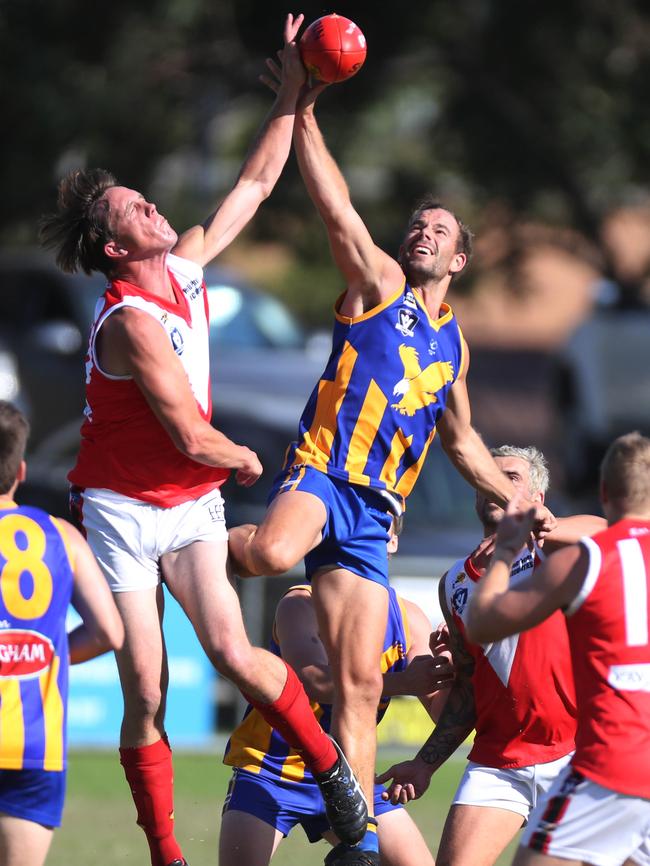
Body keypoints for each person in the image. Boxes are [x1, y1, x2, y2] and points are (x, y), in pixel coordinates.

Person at [38, 16, 367, 866]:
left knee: (234, 652)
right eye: (132, 209)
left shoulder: (182, 268)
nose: (152, 203)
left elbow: (255, 187)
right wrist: (249, 458)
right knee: (144, 684)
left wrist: (296, 88)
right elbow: (188, 429)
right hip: (121, 509)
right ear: (116, 247)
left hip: (186, 503)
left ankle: (334, 775)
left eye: (143, 196)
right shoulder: (130, 320)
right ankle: (165, 852)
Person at [228, 68, 555, 866]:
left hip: (374, 514)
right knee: (270, 555)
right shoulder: (377, 289)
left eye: (439, 228)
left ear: (463, 258)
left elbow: (466, 445)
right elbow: (336, 205)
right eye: (416, 223)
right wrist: (304, 108)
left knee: (363, 686)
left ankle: (359, 843)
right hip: (325, 472)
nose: (422, 232)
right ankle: (195, 536)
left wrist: (520, 503)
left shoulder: (456, 348)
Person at [377, 445, 606, 866]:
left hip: (576, 754)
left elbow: (602, 528)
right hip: (499, 761)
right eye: (489, 478)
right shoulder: (454, 584)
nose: (496, 485)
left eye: (512, 477)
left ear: (538, 499)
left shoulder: (555, 550)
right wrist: (426, 763)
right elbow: (467, 694)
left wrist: (541, 525)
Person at [220, 517, 454, 866]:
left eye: (380, 529)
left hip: (354, 773)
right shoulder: (300, 604)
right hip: (272, 770)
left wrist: (457, 664)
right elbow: (314, 683)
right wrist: (405, 682)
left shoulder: (409, 618)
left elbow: (444, 712)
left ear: (392, 543)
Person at [465, 431, 650, 866]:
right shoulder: (456, 578)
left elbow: (481, 621)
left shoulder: (586, 558)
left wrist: (508, 550)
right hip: (510, 755)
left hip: (611, 764)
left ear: (604, 493)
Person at [0, 401, 124, 866]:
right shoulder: (61, 536)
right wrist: (46, 656)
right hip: (36, 747)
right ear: (22, 470)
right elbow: (110, 631)